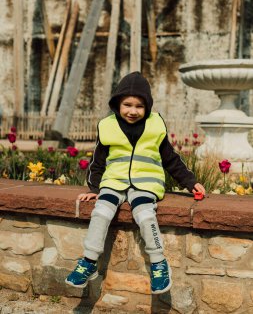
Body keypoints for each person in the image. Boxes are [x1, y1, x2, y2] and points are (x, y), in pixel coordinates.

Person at [65, 71, 205, 294]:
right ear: (117, 103)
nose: (132, 111)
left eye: (139, 106)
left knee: (144, 214)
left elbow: (171, 158)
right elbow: (97, 161)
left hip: (146, 183)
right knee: (101, 211)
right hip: (114, 181)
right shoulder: (107, 126)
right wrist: (95, 188)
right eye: (127, 104)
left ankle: (159, 263)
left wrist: (190, 182)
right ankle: (88, 261)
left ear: (147, 106)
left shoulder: (155, 125)